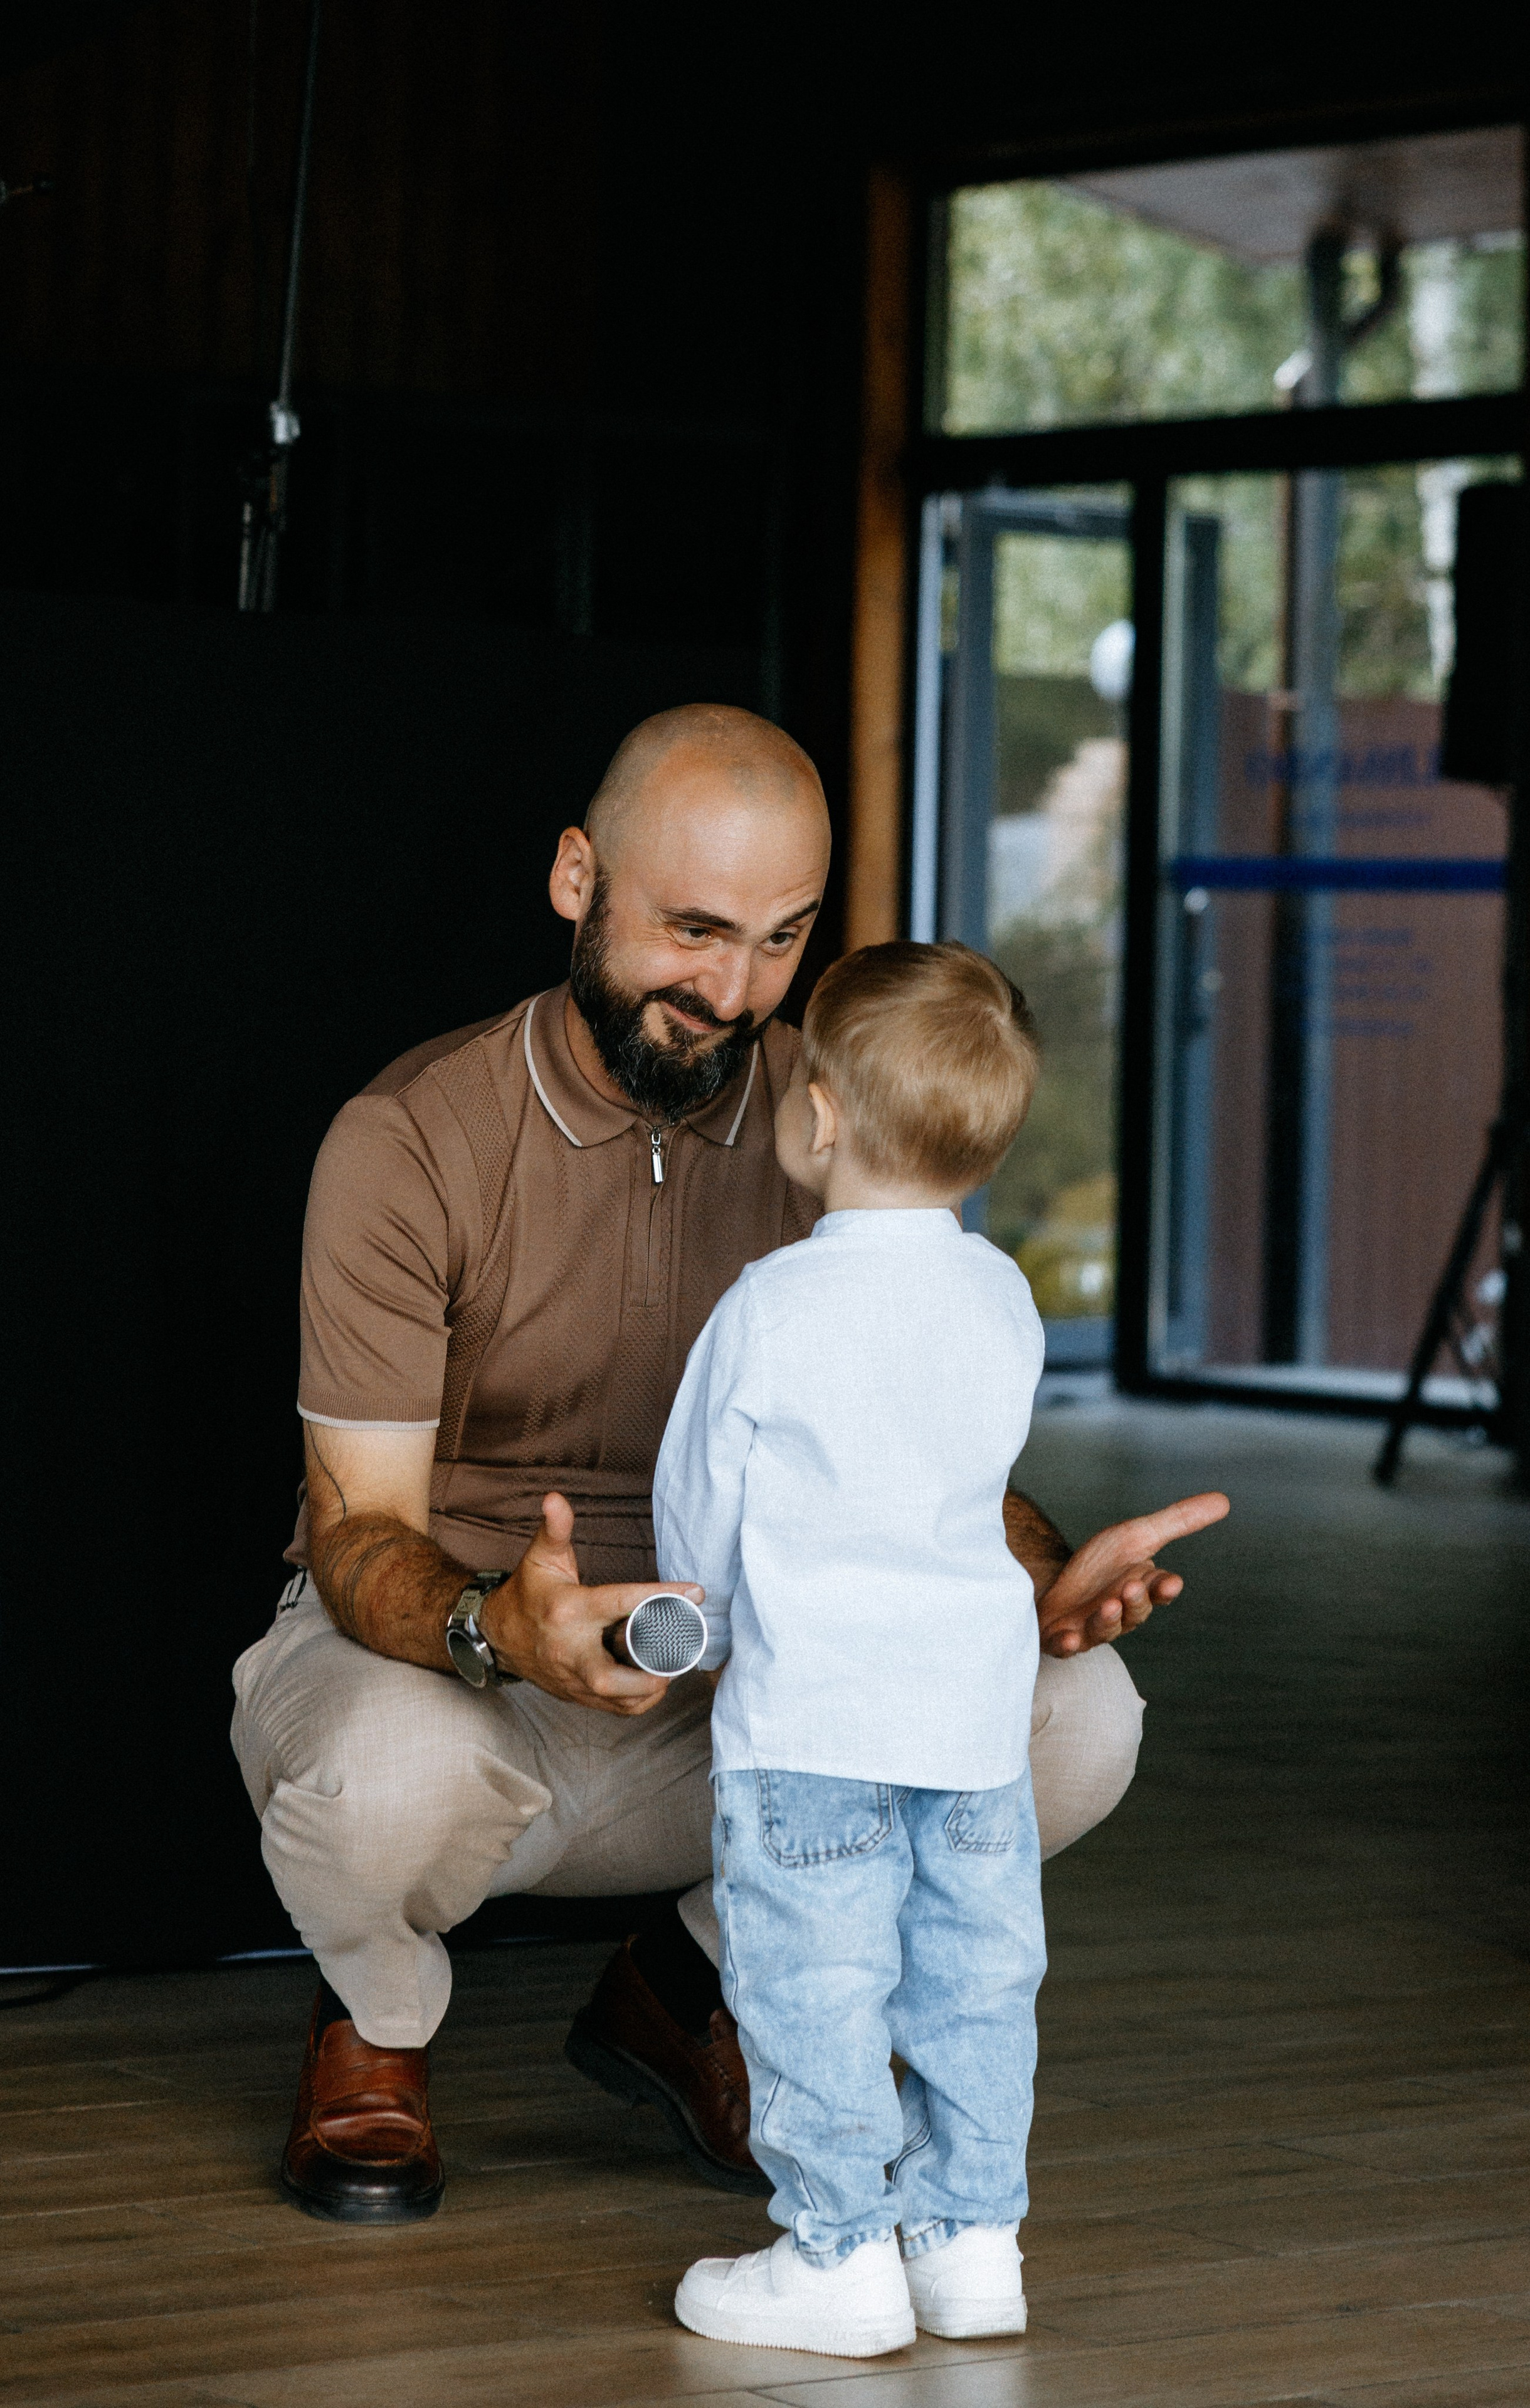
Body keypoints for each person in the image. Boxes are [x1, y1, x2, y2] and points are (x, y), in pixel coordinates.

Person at [230, 702, 1226, 2226]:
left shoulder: (835, 1121)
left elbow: (926, 1452)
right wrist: (504, 1625)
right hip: (473, 1666)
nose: (733, 991)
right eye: (690, 931)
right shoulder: (410, 1139)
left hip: (761, 1673)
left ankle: (690, 1982)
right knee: (378, 1778)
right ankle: (374, 2021)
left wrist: (1028, 1574)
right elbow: (356, 1527)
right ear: (577, 880)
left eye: (781, 940)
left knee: (1074, 1720)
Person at [663, 943, 1225, 2357]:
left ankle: (837, 2255)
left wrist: (701, 1633)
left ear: (819, 1115)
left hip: (810, 1733)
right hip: (971, 1737)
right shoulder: (1000, 1303)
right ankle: (972, 2241)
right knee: (971, 1984)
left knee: (815, 1986)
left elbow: (698, 1518)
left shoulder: (767, 1308)